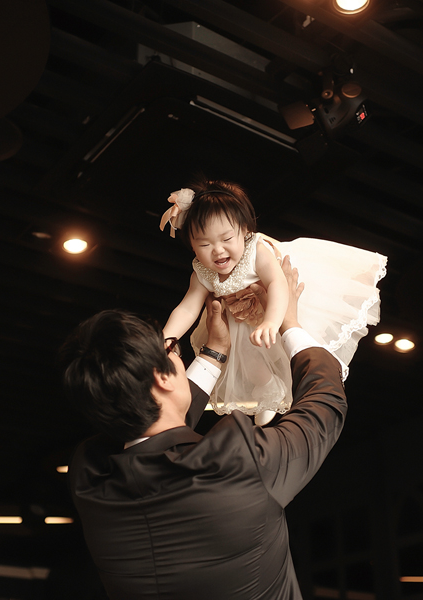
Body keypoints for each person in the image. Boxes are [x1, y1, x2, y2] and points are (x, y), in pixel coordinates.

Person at [63, 257, 348, 600]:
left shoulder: (89, 476)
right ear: (162, 377)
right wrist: (289, 322)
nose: (177, 355)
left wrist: (214, 352)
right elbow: (325, 407)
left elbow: (157, 431)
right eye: (172, 349)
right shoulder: (239, 460)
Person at [160, 178, 386, 424]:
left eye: (226, 239)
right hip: (241, 317)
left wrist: (271, 321)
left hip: (280, 303)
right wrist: (165, 339)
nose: (218, 250)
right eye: (204, 244)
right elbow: (187, 308)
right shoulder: (201, 272)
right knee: (247, 358)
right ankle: (268, 389)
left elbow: (277, 284)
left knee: (294, 339)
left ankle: (317, 373)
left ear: (244, 230)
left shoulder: (256, 251)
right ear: (192, 246)